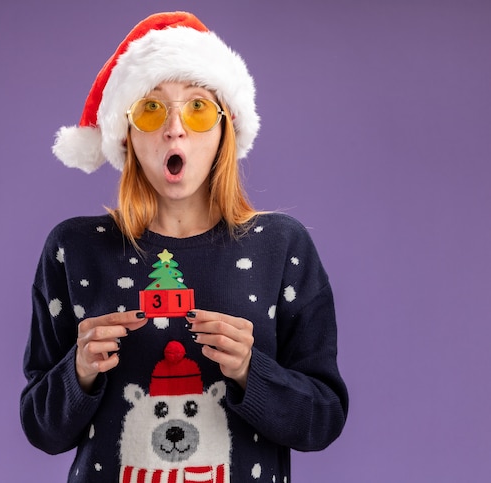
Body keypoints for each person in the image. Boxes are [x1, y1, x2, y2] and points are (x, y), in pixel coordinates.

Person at [20, 11, 348, 483]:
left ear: (223, 131)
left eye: (197, 108)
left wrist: (250, 372)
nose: (175, 129)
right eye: (151, 109)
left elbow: (323, 420)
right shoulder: (74, 249)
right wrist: (79, 370)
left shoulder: (282, 247)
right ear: (127, 134)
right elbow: (41, 428)